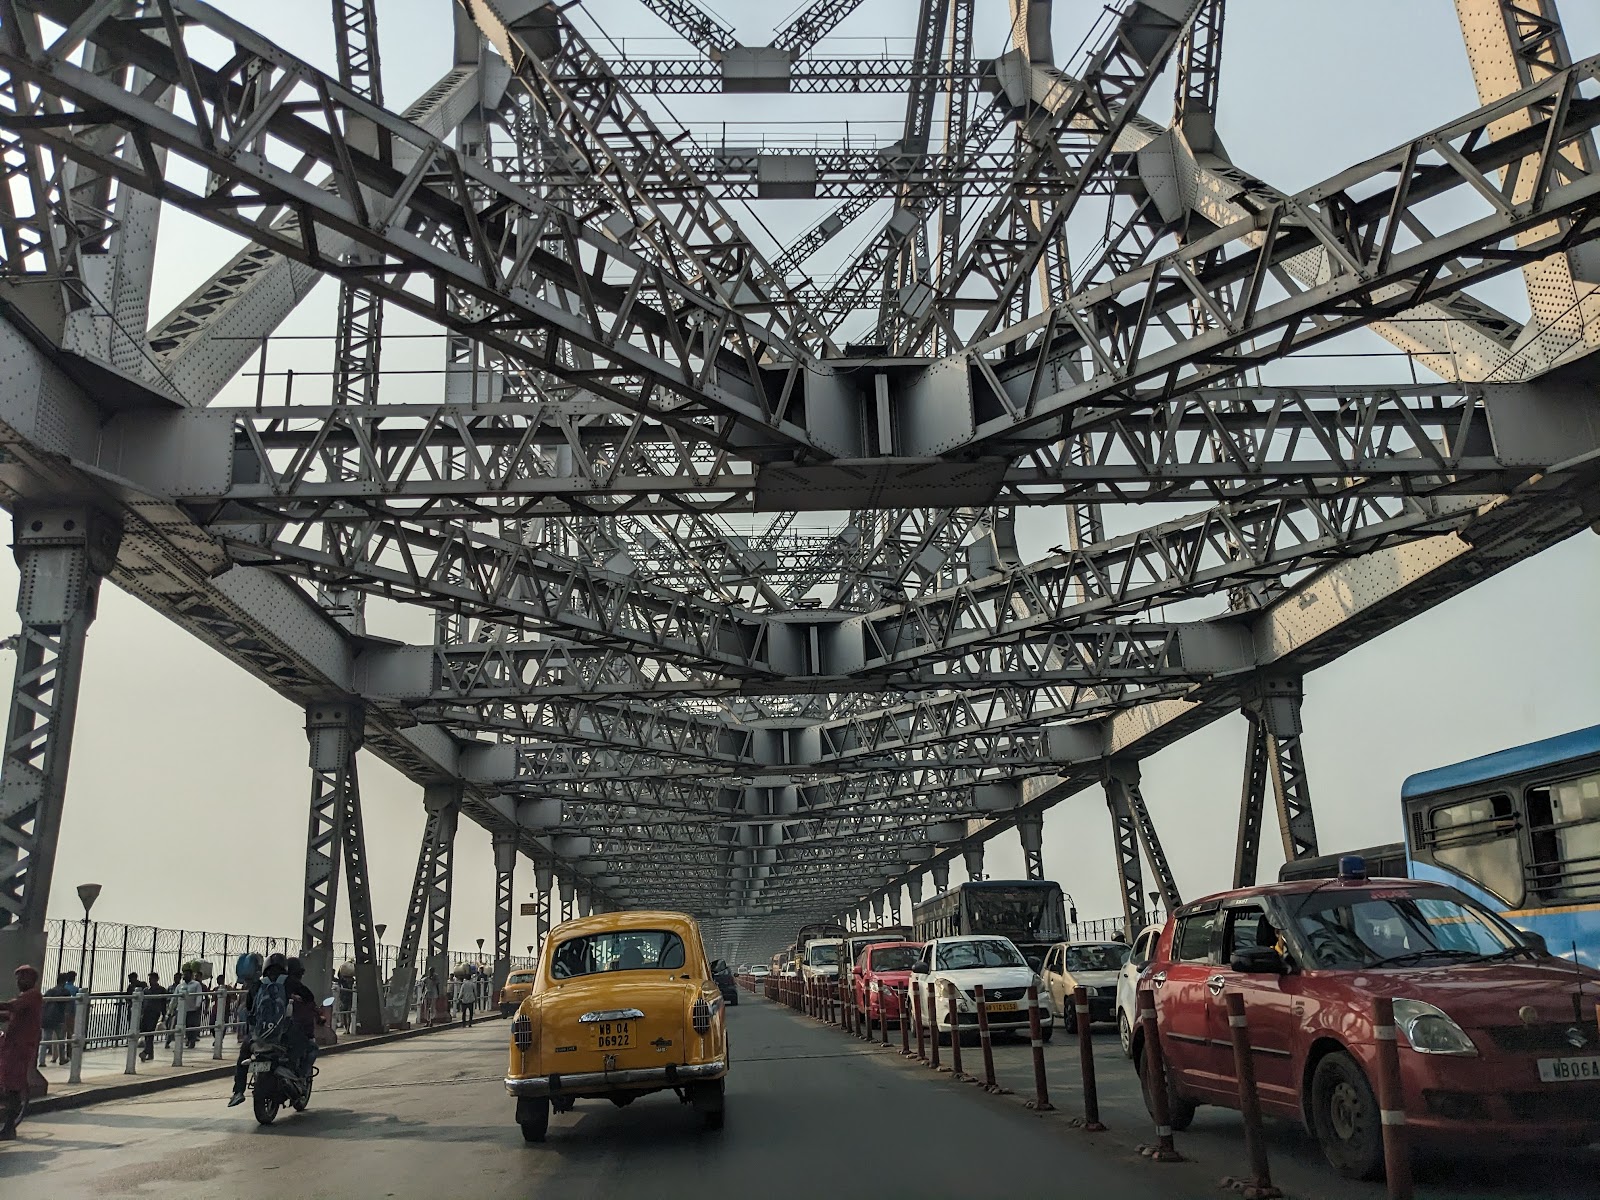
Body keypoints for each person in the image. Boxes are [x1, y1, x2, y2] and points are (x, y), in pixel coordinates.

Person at [0, 964, 43, 1139]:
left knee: (12, 1087)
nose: (18, 981)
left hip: (20, 1049)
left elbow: (12, 1007)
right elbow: (9, 1014)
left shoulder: (33, 996)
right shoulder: (26, 998)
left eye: (22, 978)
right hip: (12, 1047)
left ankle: (9, 1128)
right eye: (18, 978)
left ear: (31, 980)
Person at [39, 974, 70, 1066]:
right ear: (64, 981)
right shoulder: (65, 992)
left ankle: (41, 1061)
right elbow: (67, 1007)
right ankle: (62, 1059)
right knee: (61, 1040)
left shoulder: (49, 991)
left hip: (47, 1018)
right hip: (58, 1018)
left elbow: (43, 1003)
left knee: (45, 1040)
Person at [138, 971, 167, 1061]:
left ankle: (146, 1051)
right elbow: (143, 1002)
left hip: (154, 1013)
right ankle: (150, 1053)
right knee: (146, 1033)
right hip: (146, 1013)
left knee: (150, 1032)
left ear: (157, 979)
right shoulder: (146, 990)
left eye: (152, 979)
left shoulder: (161, 990)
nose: (150, 981)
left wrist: (164, 1014)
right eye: (150, 979)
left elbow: (164, 1003)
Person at [172, 969, 204, 1048]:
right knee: (177, 1026)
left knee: (191, 1026)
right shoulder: (180, 986)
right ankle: (176, 1042)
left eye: (187, 974)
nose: (185, 976)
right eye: (184, 974)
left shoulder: (196, 984)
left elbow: (199, 995)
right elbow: (174, 997)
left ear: (191, 975)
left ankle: (191, 1041)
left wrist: (197, 1005)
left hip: (192, 1009)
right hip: (180, 1009)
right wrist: (171, 1008)